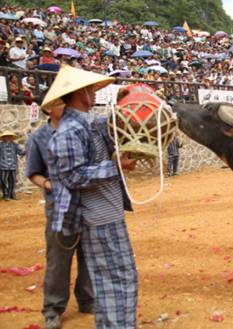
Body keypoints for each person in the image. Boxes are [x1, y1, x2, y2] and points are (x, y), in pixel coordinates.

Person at [42, 65, 138, 329]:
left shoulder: (87, 124)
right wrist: (115, 167)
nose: (95, 93)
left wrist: (125, 102)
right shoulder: (69, 131)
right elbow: (72, 176)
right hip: (97, 217)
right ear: (81, 93)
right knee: (116, 280)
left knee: (116, 279)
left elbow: (110, 123)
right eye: (91, 89)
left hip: (106, 213)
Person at [25, 104, 94, 329]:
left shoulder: (82, 130)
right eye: (59, 103)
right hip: (59, 207)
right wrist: (48, 184)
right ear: (48, 109)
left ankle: (87, 300)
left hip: (85, 203)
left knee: (88, 255)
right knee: (57, 261)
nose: (64, 106)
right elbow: (33, 172)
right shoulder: (39, 137)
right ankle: (53, 309)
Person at [0, 130, 24, 200]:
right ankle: (6, 194)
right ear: (3, 137)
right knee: (3, 180)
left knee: (12, 181)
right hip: (3, 166)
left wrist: (28, 149)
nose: (8, 137)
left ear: (12, 137)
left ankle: (12, 195)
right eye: (6, 136)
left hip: (13, 166)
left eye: (9, 136)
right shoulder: (0, 145)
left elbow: (21, 152)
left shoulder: (15, 145)